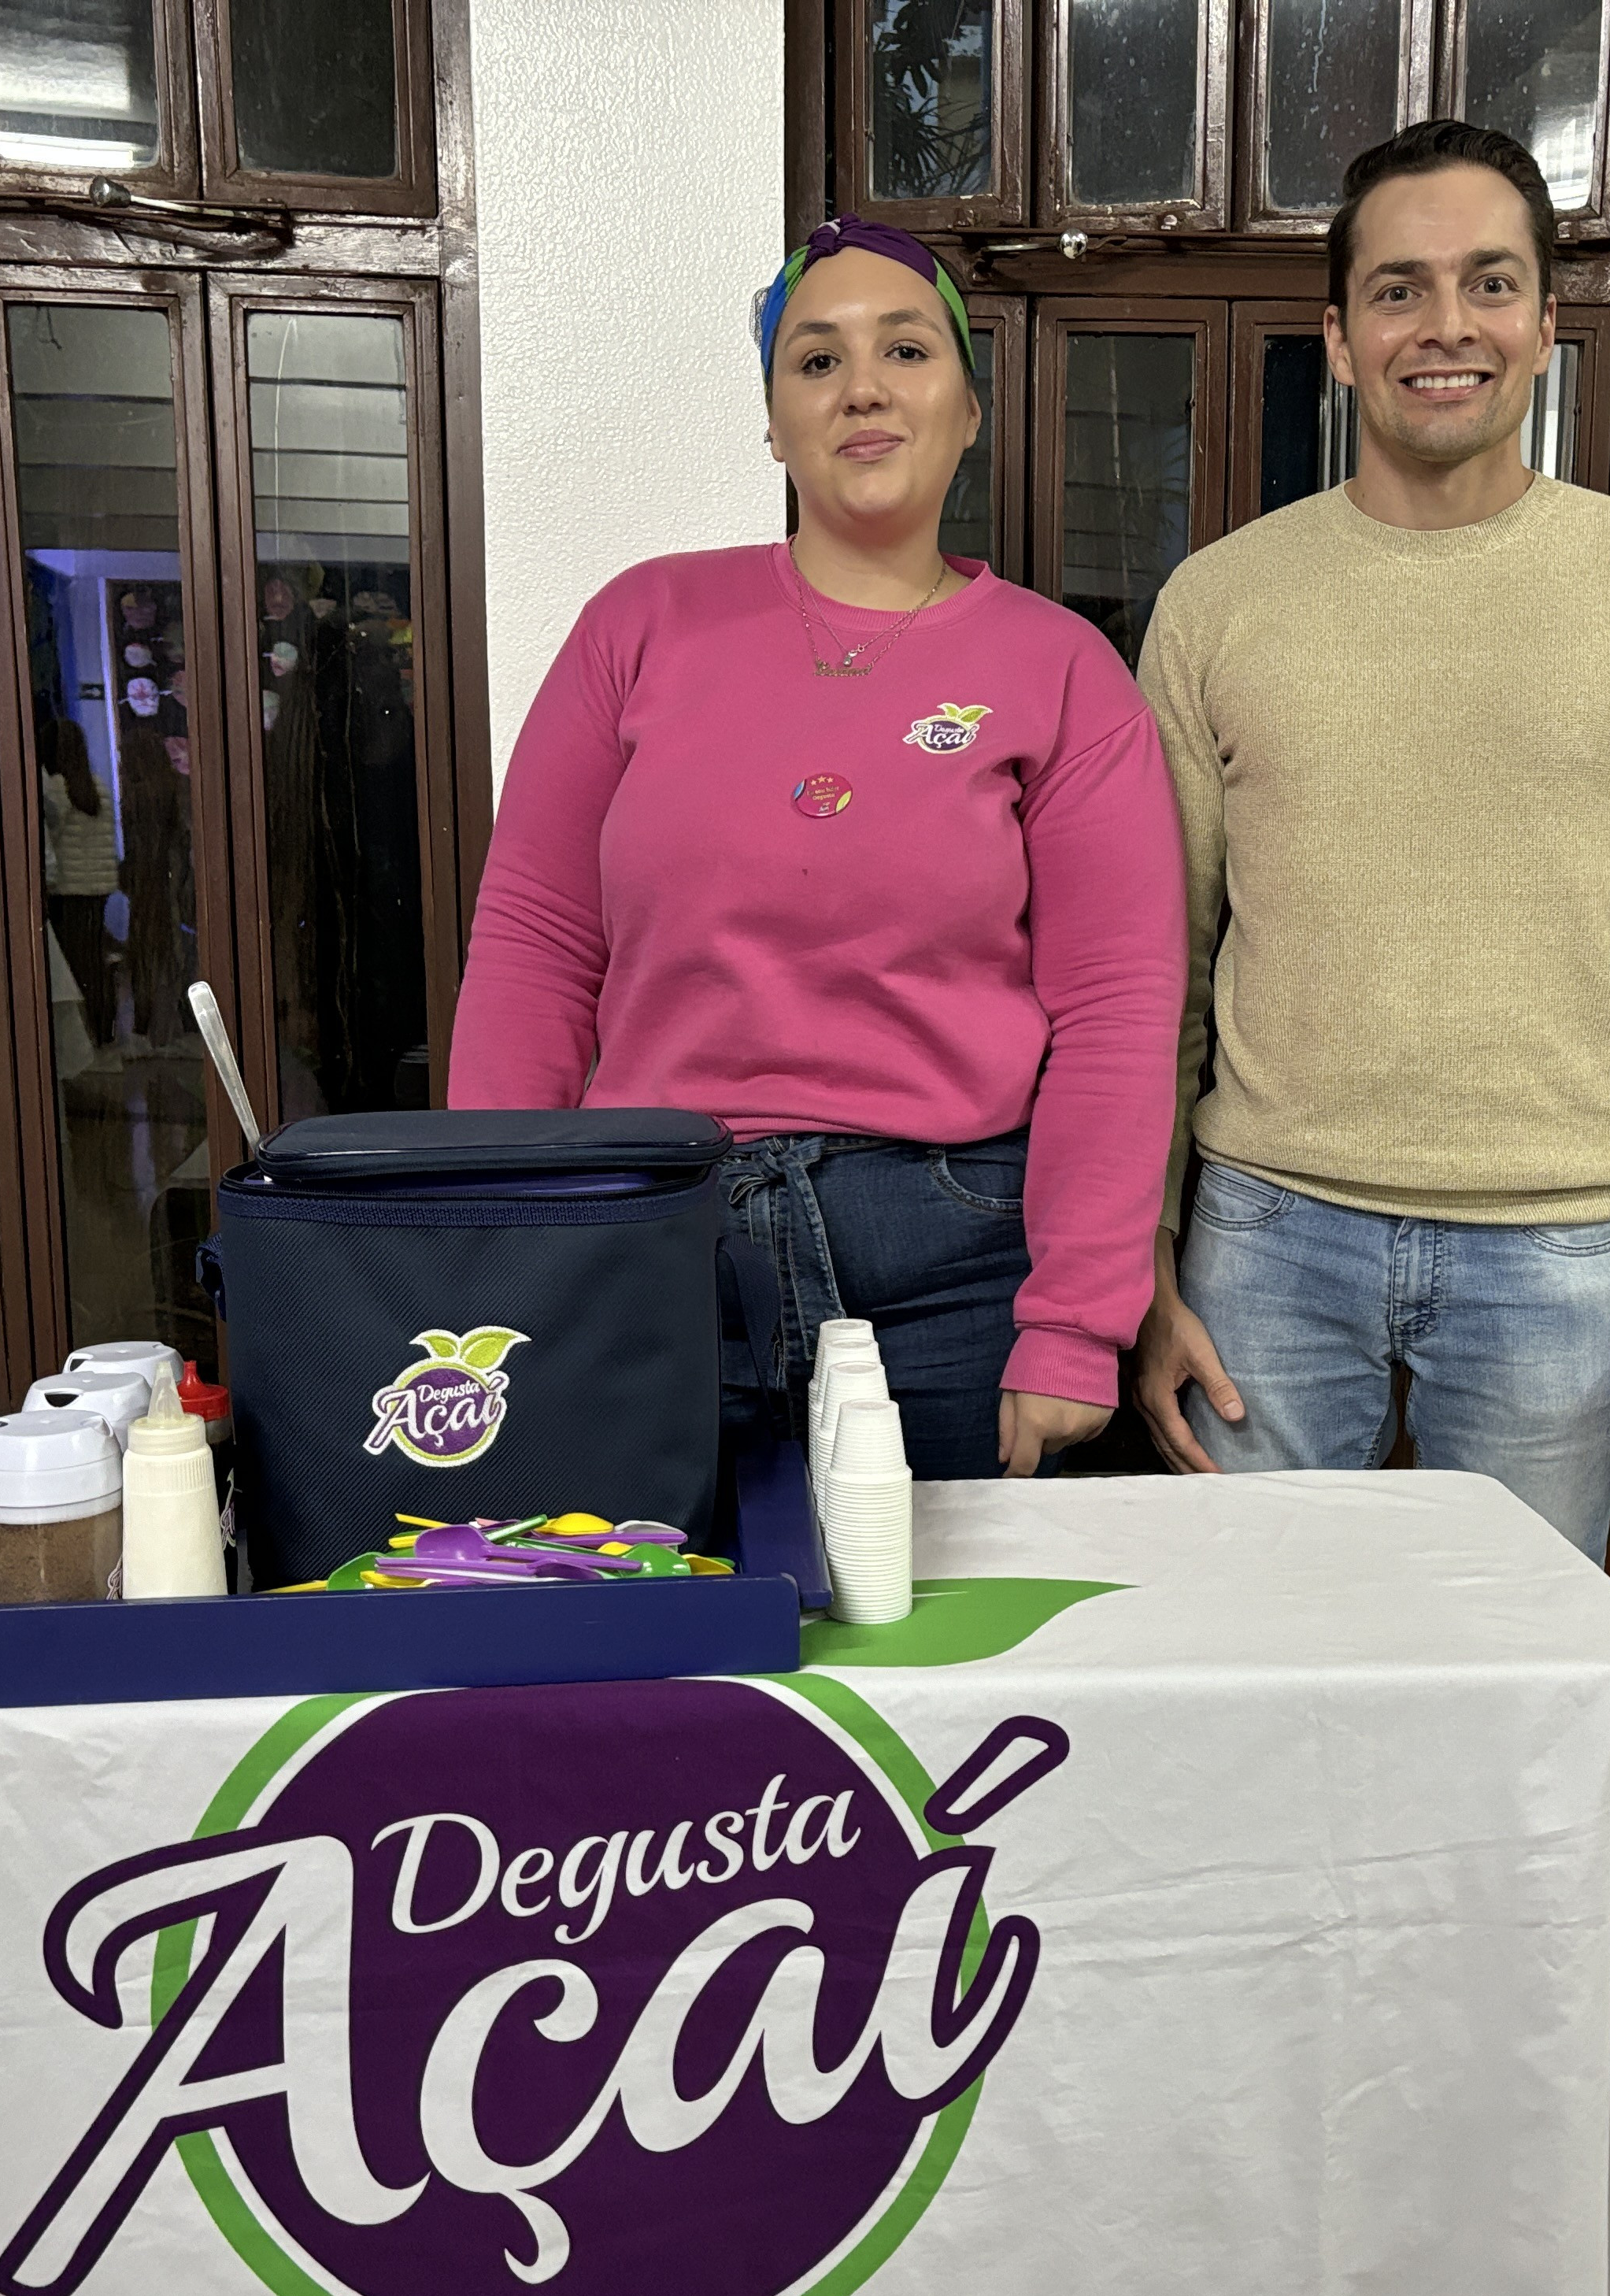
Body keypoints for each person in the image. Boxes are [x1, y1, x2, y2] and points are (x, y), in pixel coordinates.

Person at [1130, 120, 1610, 1563]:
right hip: (1264, 1235)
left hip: (1554, 1251)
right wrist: (1142, 1260)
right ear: (1340, 341)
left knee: (1520, 1664)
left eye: (1489, 282)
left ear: (1545, 325)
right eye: (1399, 289)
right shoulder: (1217, 604)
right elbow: (1157, 967)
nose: (1445, 324)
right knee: (1257, 1646)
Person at [450, 218, 1185, 1479]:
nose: (863, 388)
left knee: (945, 1609)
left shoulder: (1062, 670)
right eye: (817, 360)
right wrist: (500, 1245)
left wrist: (1075, 1320)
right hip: (650, 1240)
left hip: (961, 1262)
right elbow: (536, 947)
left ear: (968, 409)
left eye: (907, 350)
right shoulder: (642, 624)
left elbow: (1116, 1006)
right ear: (774, 422)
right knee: (663, 1596)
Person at [38, 716, 119, 1049]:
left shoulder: (54, 789)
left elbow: (49, 840)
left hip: (67, 890)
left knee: (73, 966)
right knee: (95, 962)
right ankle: (104, 1030)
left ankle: (82, 1038)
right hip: (98, 888)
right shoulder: (98, 787)